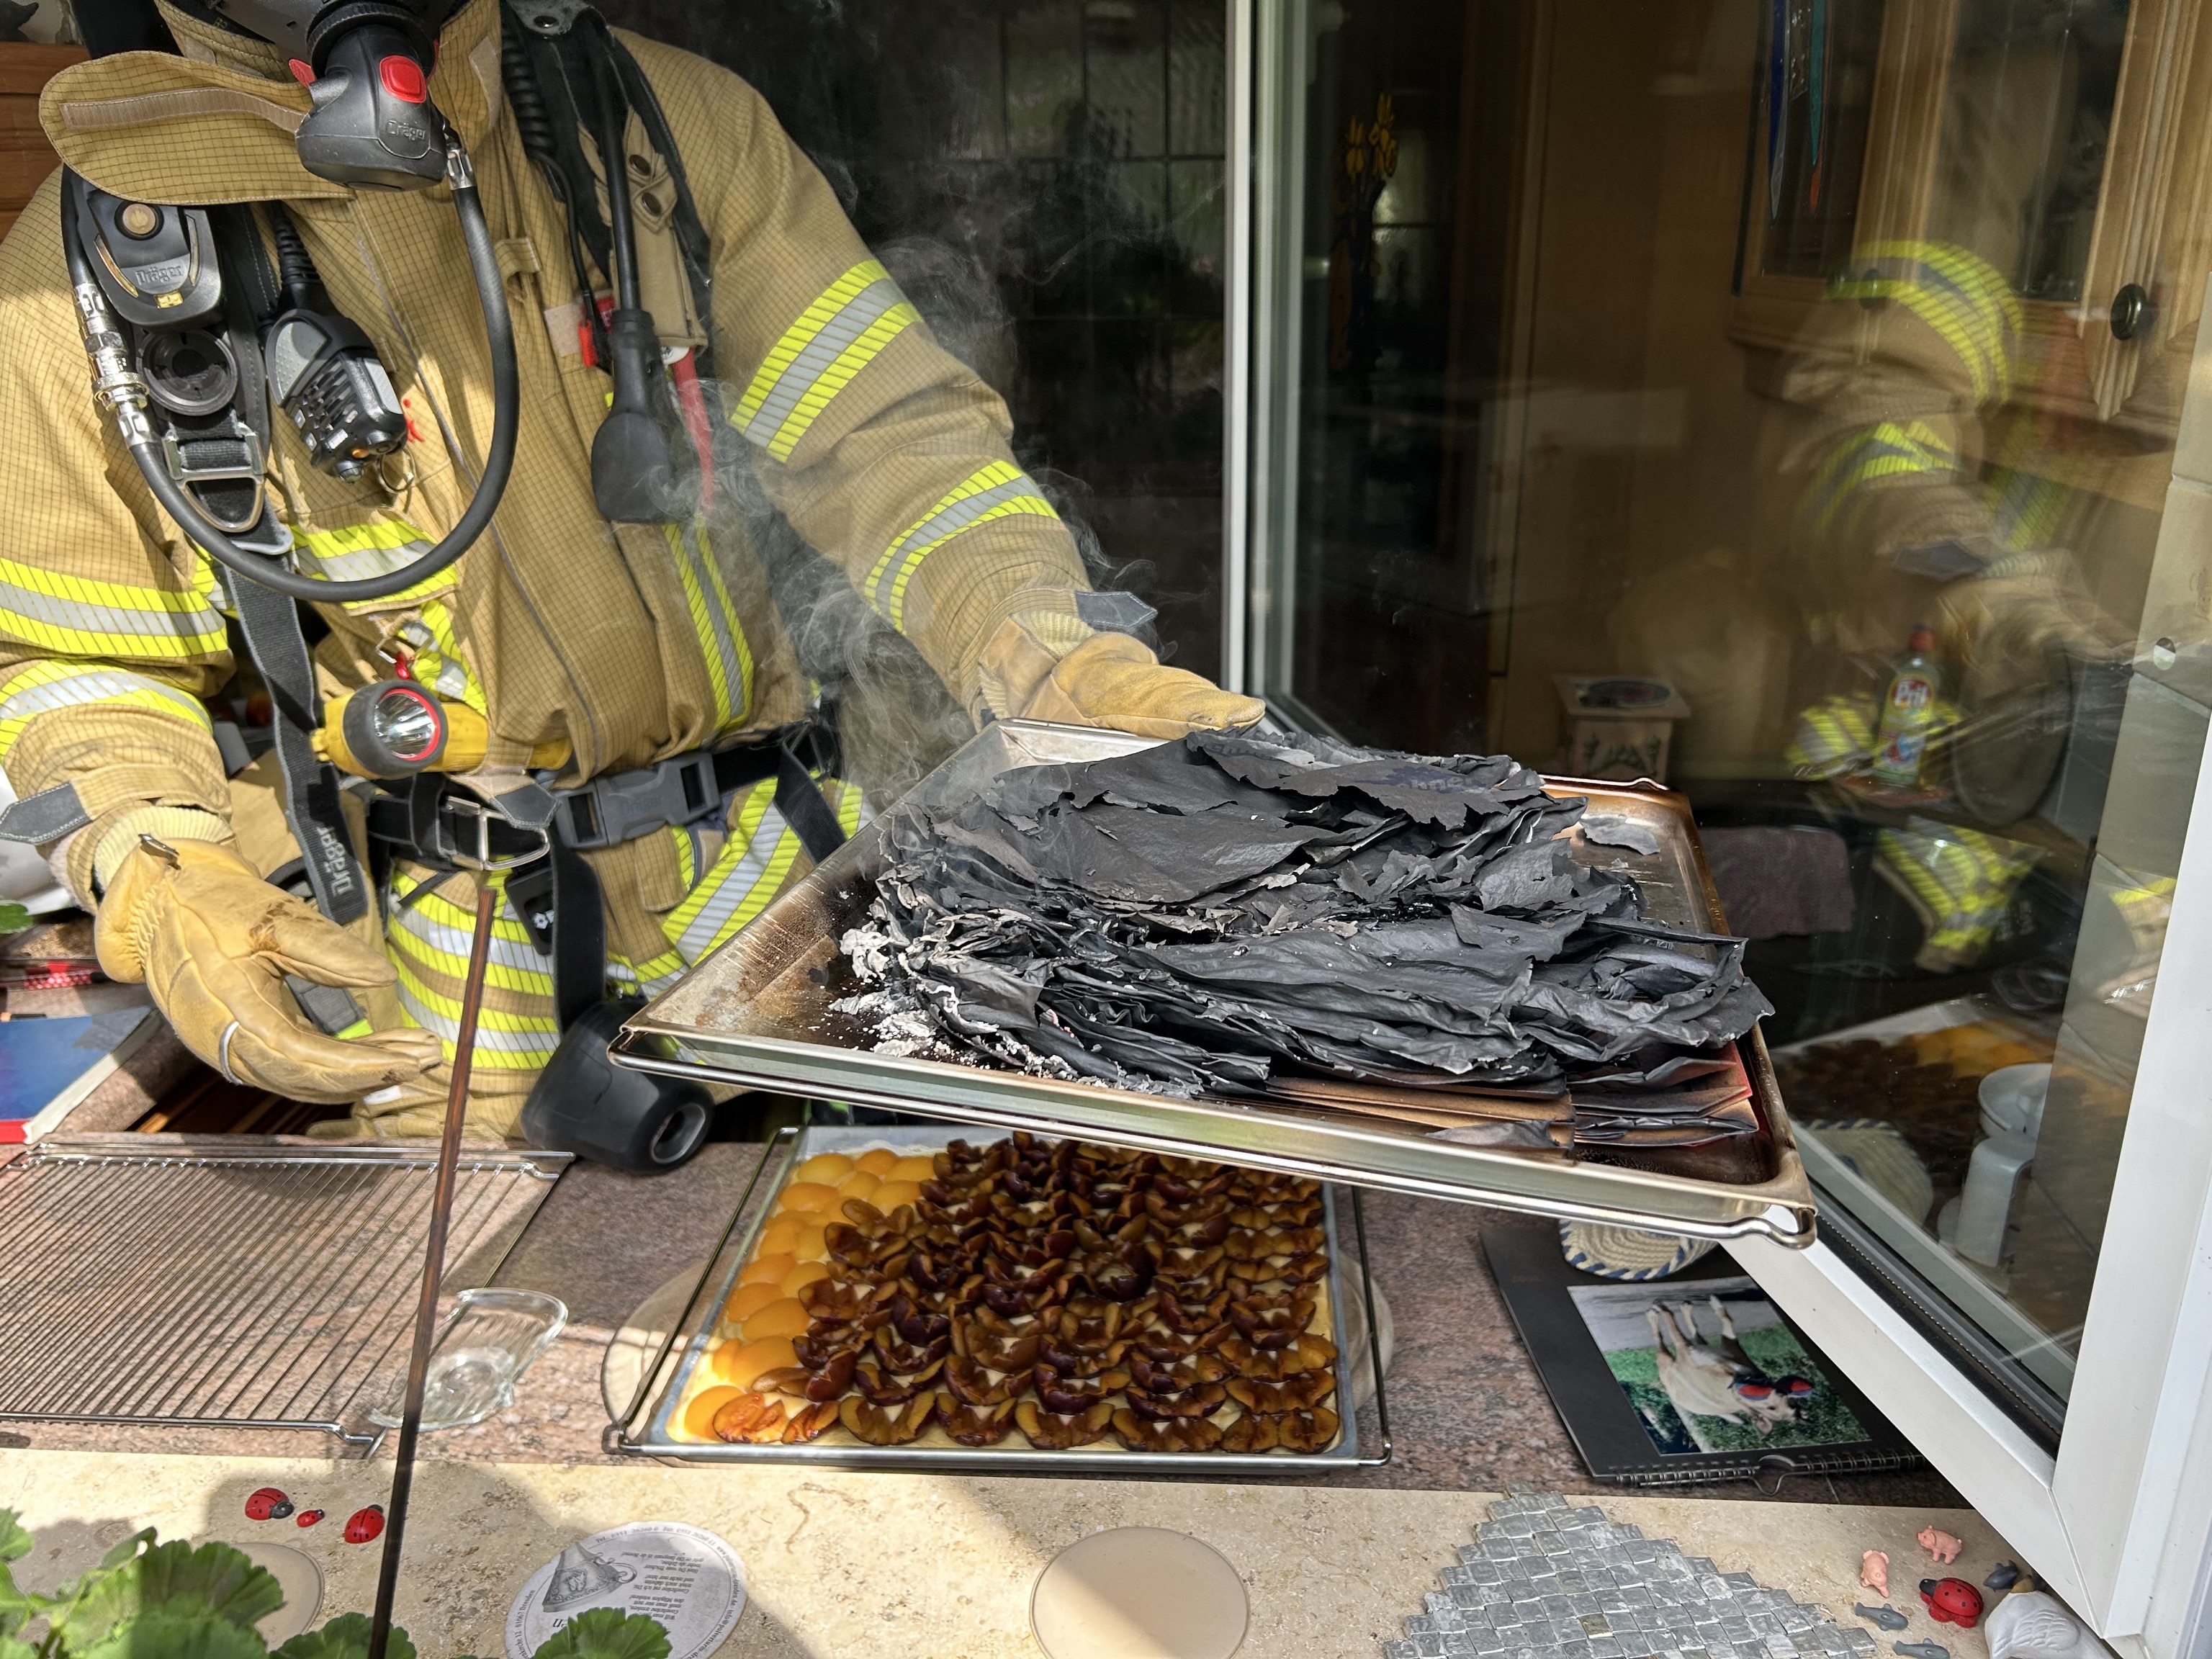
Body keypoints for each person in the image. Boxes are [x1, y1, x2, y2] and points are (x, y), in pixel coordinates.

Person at [0, 0, 1261, 1138]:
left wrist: (1042, 647)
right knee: (500, 1308)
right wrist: (160, 867)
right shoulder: (89, 272)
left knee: (838, 1271)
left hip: (784, 917)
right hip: (457, 981)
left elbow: (892, 446)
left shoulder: (660, 129)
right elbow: (75, 657)